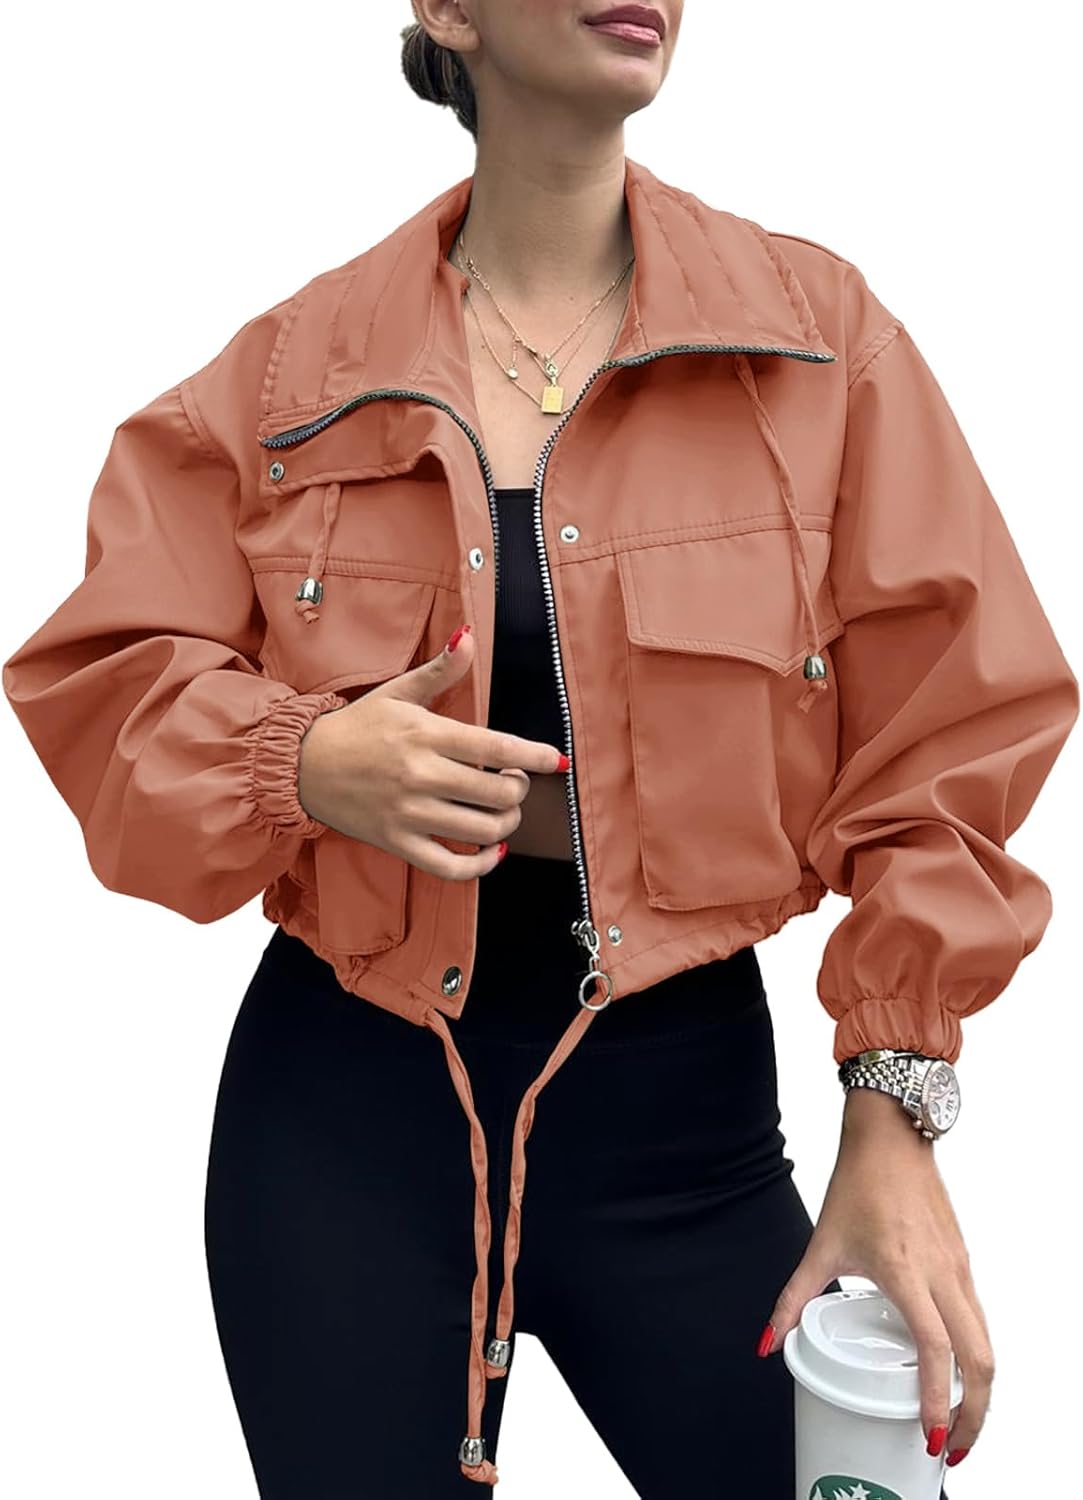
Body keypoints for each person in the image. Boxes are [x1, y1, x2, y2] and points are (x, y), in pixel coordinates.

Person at [3, 1, 1078, 1493]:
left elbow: (954, 734)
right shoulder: (292, 377)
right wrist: (302, 760)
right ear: (449, 9)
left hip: (688, 1129)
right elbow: (102, 680)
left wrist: (895, 1120)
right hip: (342, 1117)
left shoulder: (815, 347)